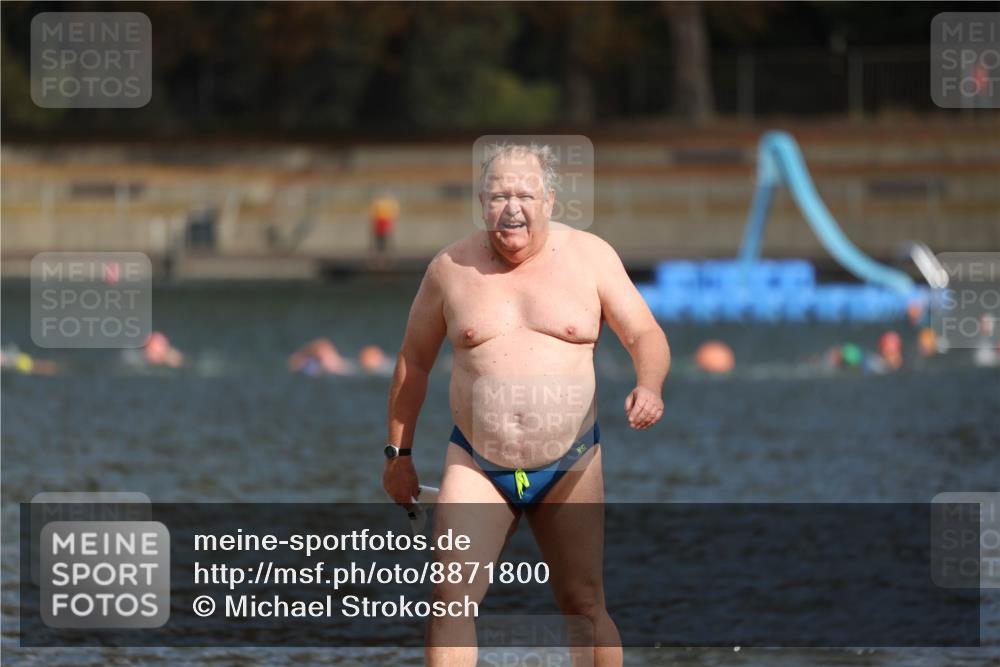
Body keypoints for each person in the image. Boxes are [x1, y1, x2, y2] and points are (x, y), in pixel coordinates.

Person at [383, 144, 670, 667]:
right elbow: (414, 363)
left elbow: (646, 334)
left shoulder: (591, 257)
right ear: (481, 201)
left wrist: (648, 384)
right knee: (450, 601)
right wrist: (397, 455)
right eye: (498, 196)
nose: (511, 207)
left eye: (524, 195)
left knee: (583, 605)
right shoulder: (450, 267)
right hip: (476, 461)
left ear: (550, 200)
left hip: (571, 462)